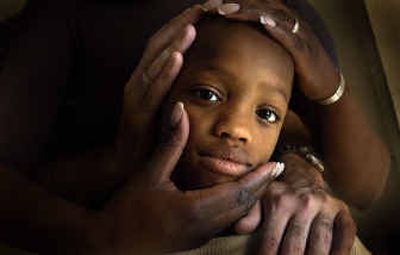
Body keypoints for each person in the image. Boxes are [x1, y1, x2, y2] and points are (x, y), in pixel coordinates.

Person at [0, 0, 389, 254]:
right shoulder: (69, 13)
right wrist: (104, 232)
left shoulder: (289, 21)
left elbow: (365, 186)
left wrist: (328, 89)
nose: (236, 128)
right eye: (207, 94)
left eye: (265, 114)